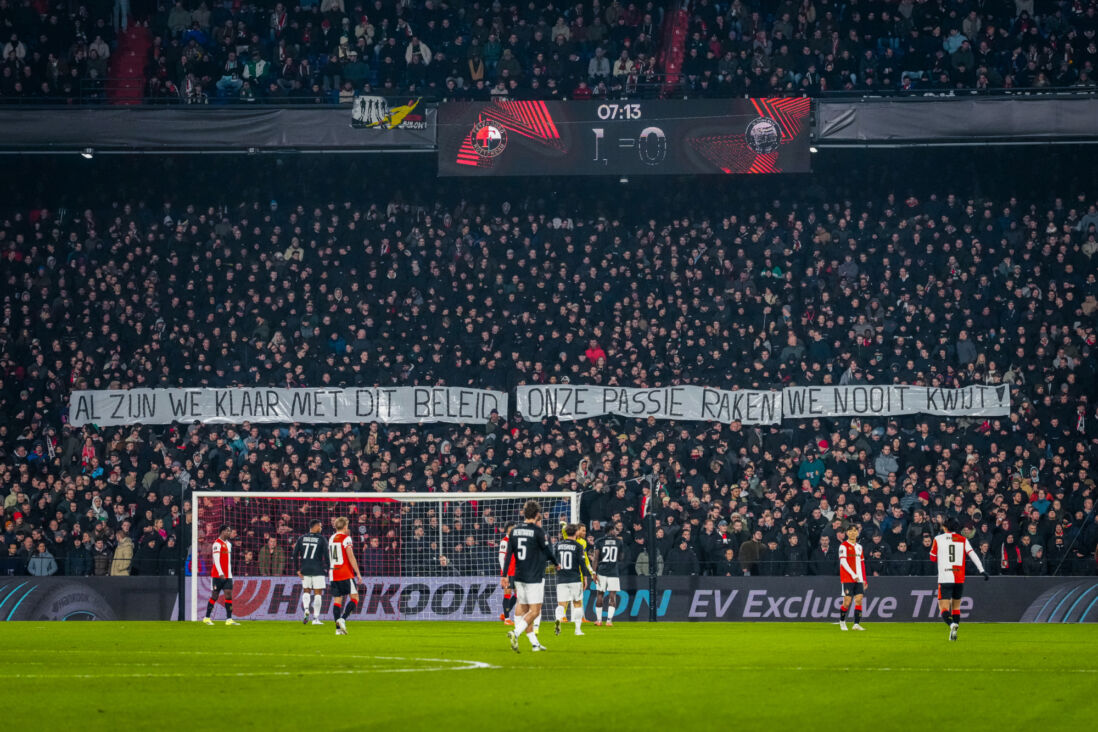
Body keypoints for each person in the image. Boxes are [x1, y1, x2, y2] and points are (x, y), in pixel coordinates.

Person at [500, 499, 556, 653]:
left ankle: (534, 644)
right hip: (534, 576)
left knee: (522, 608)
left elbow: (508, 554)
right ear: (538, 515)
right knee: (535, 611)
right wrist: (557, 563)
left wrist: (504, 575)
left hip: (518, 575)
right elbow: (547, 552)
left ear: (524, 513)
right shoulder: (538, 532)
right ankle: (515, 633)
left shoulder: (515, 530)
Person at [930, 519, 988, 641]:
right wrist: (982, 570)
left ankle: (952, 624)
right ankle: (953, 634)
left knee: (943, 608)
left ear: (945, 527)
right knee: (956, 607)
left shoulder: (938, 539)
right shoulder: (963, 539)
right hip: (959, 578)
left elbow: (932, 558)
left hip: (945, 578)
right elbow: (973, 555)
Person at [554, 523, 593, 637]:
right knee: (577, 603)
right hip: (575, 578)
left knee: (561, 604)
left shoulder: (558, 545)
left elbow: (554, 560)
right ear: (576, 533)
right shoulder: (578, 546)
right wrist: (585, 578)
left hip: (562, 578)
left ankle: (558, 621)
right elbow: (582, 563)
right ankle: (577, 630)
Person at [329, 516, 362, 636]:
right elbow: (350, 556)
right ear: (345, 527)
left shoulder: (331, 538)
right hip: (344, 572)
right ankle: (342, 619)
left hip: (333, 573)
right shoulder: (346, 538)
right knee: (355, 598)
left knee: (337, 600)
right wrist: (358, 573)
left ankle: (338, 629)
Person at [203, 525, 240, 625]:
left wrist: (229, 574)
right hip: (217, 575)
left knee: (228, 595)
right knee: (215, 596)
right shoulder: (216, 544)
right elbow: (216, 560)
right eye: (228, 531)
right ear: (222, 532)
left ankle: (229, 619)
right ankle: (206, 618)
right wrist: (220, 573)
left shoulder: (228, 544)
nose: (229, 533)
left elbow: (227, 561)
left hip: (228, 575)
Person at [293, 519, 329, 625]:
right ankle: (316, 618)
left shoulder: (301, 538)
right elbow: (326, 556)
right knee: (318, 594)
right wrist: (329, 568)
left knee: (306, 591)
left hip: (305, 569)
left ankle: (307, 609)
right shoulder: (322, 539)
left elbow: (294, 555)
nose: (321, 528)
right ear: (316, 526)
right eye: (320, 526)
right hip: (318, 569)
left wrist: (297, 570)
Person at [593, 520, 626, 626]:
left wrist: (594, 572)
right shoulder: (619, 542)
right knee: (612, 597)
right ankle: (609, 621)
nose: (616, 532)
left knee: (600, 595)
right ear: (611, 530)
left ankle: (598, 620)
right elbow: (621, 557)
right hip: (613, 572)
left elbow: (596, 559)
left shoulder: (599, 541)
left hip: (601, 571)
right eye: (615, 529)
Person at [838, 525, 867, 631]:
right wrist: (853, 574)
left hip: (859, 579)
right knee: (847, 602)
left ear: (857, 533)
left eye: (855, 531)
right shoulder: (843, 546)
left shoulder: (859, 547)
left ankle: (856, 624)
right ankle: (842, 621)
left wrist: (864, 579)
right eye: (850, 531)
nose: (853, 533)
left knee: (859, 600)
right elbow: (843, 562)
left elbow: (862, 564)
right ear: (847, 533)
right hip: (847, 578)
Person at [497, 522, 516, 625]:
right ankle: (507, 619)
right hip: (508, 572)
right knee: (507, 593)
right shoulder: (504, 541)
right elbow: (501, 558)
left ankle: (505, 613)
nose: (513, 529)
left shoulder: (516, 540)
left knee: (518, 594)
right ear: (507, 529)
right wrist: (505, 573)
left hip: (516, 571)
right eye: (511, 528)